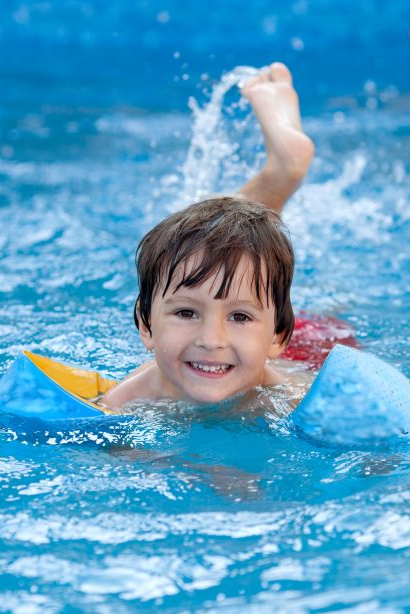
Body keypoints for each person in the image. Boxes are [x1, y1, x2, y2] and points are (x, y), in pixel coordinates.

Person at [100, 62, 314, 410]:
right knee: (229, 250)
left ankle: (282, 173)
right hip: (260, 331)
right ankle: (282, 172)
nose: (211, 340)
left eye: (238, 317)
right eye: (186, 313)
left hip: (307, 341)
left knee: (244, 250)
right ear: (145, 324)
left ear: (278, 338)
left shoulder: (293, 397)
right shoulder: (127, 399)